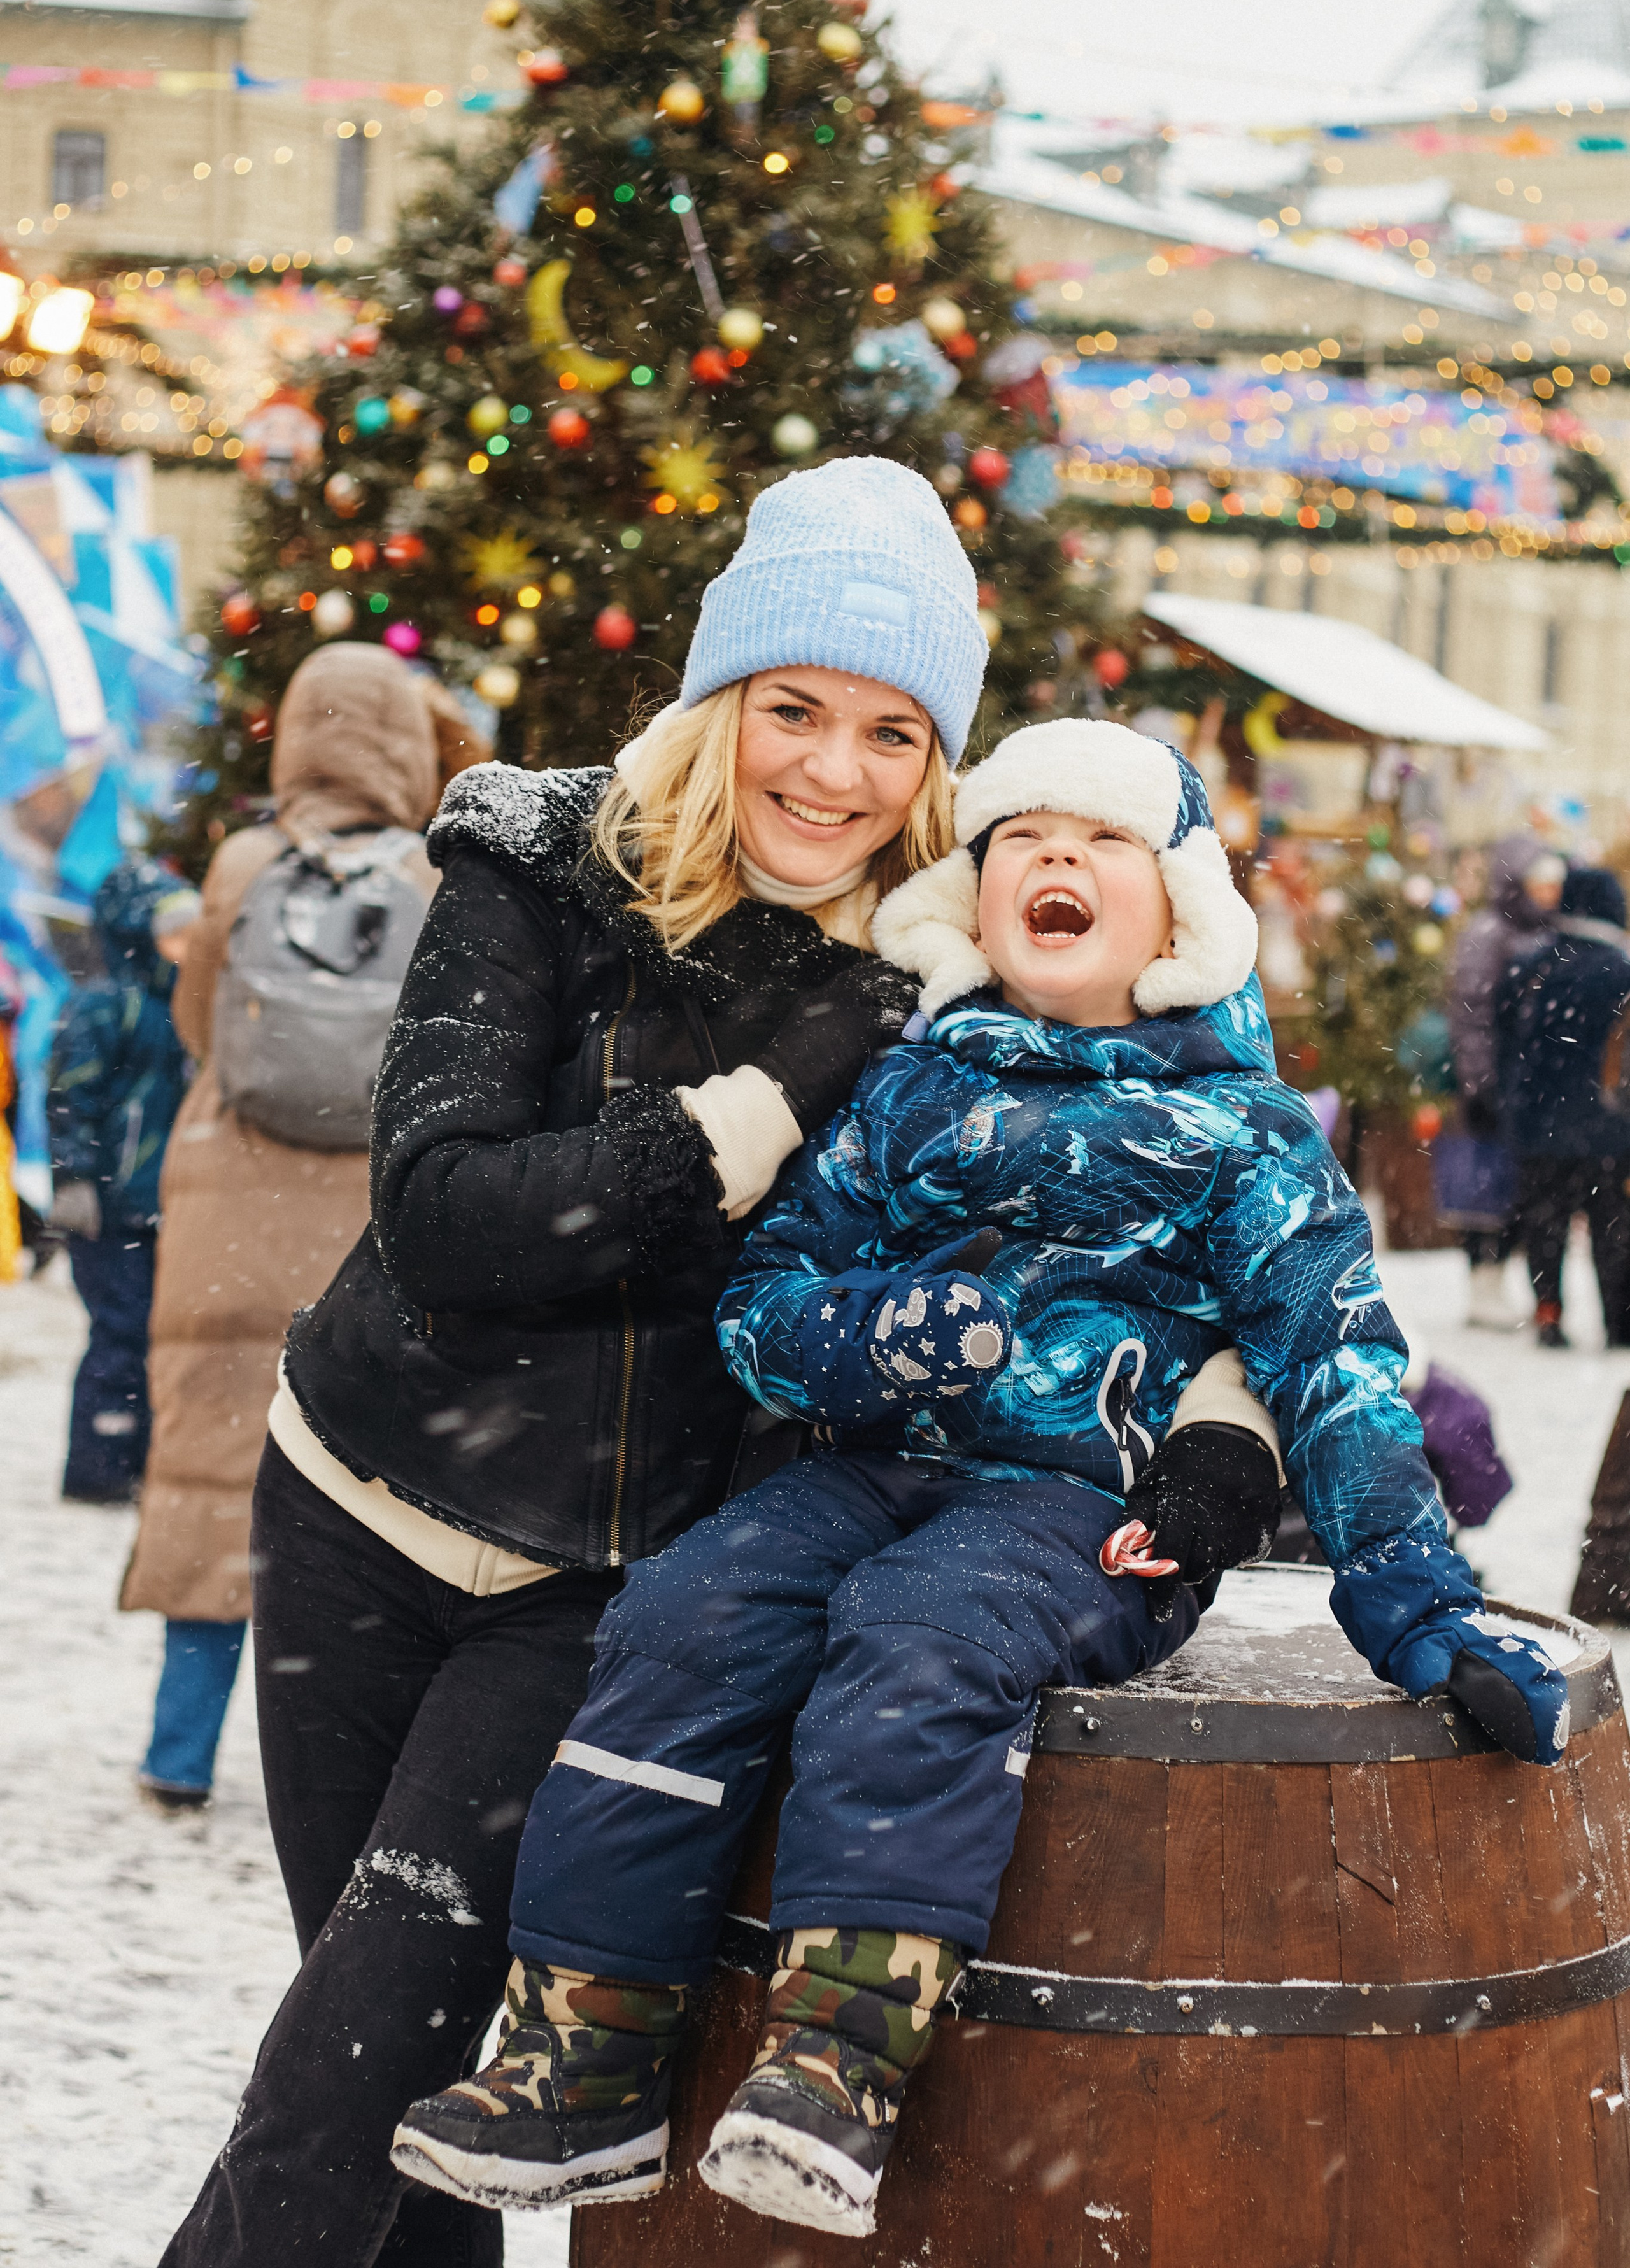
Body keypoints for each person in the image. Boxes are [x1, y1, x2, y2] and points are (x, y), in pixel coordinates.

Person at [393, 718, 1568, 2241]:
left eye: (1102, 841)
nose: (1056, 856)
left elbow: (1332, 1363)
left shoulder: (1240, 1133)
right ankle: (585, 2051)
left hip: (1083, 1510)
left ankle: (836, 2056)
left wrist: (1419, 1607)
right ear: (974, 889)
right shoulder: (904, 1091)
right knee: (684, 1612)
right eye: (1023, 836)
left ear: (1177, 912)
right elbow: (761, 1303)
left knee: (922, 1632)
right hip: (871, 1467)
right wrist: (868, 1337)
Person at [159, 456, 1003, 2268]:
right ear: (721, 701)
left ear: (939, 766)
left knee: (345, 2086)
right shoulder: (537, 864)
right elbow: (447, 1216)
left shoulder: (940, 994)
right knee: (387, 2080)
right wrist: (753, 1110)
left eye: (891, 732)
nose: (832, 773)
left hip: (594, 1592)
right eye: (793, 708)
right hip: (354, 1507)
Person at [121, 643, 479, 1811]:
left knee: (206, 1477)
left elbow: (201, 1023)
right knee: (346, 1489)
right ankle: (339, 1766)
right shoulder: (437, 876)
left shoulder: (240, 863)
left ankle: (179, 1753)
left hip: (227, 1198)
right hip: (359, 1216)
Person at [46, 858, 201, 1502]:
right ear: (137, 933)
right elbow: (70, 1097)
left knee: (157, 1335)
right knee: (121, 1330)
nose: (184, 944)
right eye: (171, 931)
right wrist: (75, 1178)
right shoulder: (106, 1005)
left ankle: (140, 1457)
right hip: (111, 1207)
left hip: (166, 1205)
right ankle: (100, 1466)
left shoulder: (184, 1007)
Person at [1497, 863, 1630, 1350]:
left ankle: (1549, 1315)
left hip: (1541, 1125)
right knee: (1614, 1229)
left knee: (1546, 1226)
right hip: (1610, 1127)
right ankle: (1619, 1322)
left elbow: (1506, 1046)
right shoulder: (1622, 971)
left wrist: (1511, 1106)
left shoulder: (1531, 967)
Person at [1445, 835, 1565, 1328]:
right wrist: (1481, 1083)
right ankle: (1483, 1282)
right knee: (1485, 1185)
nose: (1549, 892)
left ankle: (1497, 1280)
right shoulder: (1490, 933)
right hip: (1497, 1085)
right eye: (1540, 882)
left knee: (1518, 1188)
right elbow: (1471, 1016)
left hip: (1529, 1088)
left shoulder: (1548, 933)